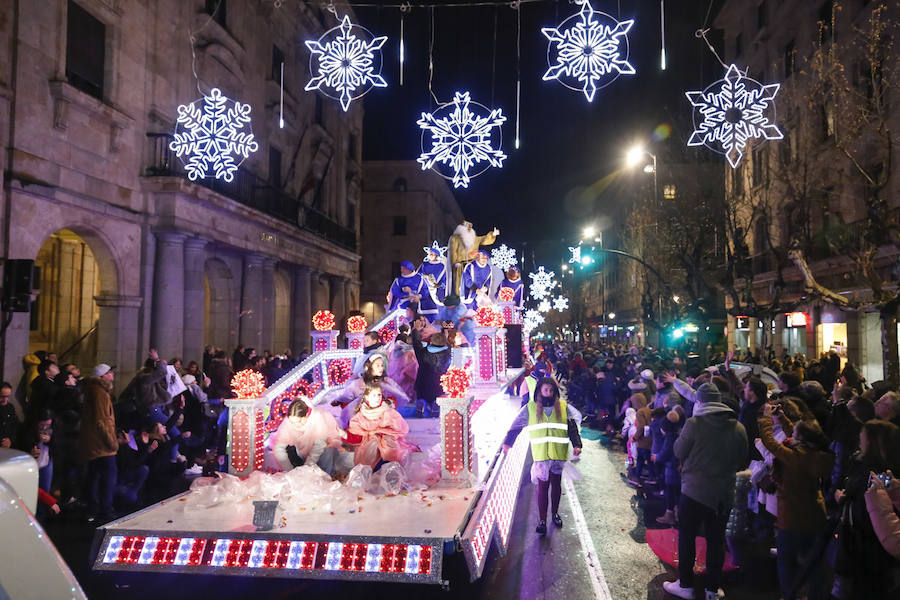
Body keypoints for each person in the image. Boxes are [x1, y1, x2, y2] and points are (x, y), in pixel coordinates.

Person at [664, 383, 748, 600]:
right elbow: (742, 460)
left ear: (699, 402)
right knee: (716, 541)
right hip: (722, 495)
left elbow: (678, 450)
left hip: (693, 492)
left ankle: (685, 585)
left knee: (687, 537)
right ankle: (713, 589)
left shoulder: (694, 424)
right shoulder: (738, 428)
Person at [757, 402, 834, 600]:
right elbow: (797, 435)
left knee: (787, 562)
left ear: (800, 439)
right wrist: (782, 418)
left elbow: (770, 442)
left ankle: (789, 595)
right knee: (815, 561)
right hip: (816, 513)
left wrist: (766, 417)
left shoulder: (794, 457)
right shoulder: (817, 455)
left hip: (792, 516)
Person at [502, 377, 582, 535]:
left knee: (556, 486)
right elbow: (516, 426)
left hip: (558, 455)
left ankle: (555, 514)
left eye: (551, 390)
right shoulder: (530, 408)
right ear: (539, 391)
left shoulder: (563, 407)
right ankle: (542, 520)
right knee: (542, 489)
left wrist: (577, 444)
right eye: (546, 390)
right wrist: (508, 443)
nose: (549, 393)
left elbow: (572, 427)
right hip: (541, 456)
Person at [79, 364, 119, 522]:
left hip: (94, 442)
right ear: (103, 376)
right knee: (108, 475)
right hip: (102, 444)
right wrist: (112, 442)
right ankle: (106, 510)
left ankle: (94, 508)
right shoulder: (100, 392)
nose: (112, 375)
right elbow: (102, 420)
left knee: (94, 474)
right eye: (109, 372)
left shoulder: (93, 390)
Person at [344, 383, 417, 468]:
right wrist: (343, 434)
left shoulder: (388, 412)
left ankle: (391, 470)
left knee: (390, 452)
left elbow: (401, 429)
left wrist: (384, 433)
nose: (377, 397)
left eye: (379, 394)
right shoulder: (360, 416)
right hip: (369, 449)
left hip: (388, 446)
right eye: (374, 395)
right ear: (367, 397)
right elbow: (356, 435)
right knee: (372, 448)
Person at [269, 399, 349, 477]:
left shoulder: (317, 418)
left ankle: (327, 477)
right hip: (304, 451)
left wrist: (307, 467)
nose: (295, 425)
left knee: (326, 452)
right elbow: (279, 448)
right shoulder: (288, 423)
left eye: (299, 421)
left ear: (306, 415)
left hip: (325, 450)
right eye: (292, 422)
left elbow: (319, 445)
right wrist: (289, 471)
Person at [411, 320, 451, 418]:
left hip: (423, 384)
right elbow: (447, 346)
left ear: (431, 342)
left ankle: (420, 404)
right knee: (436, 398)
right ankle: (435, 406)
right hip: (438, 385)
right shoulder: (447, 354)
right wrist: (445, 336)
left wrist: (415, 330)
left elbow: (416, 343)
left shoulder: (423, 353)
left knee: (421, 396)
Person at [418, 242, 448, 320]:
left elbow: (445, 280)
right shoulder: (424, 265)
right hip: (425, 291)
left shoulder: (442, 266)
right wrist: (426, 277)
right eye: (430, 253)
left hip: (437, 293)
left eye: (432, 253)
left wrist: (438, 285)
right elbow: (418, 276)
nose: (430, 255)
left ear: (436, 255)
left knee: (437, 315)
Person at [0, 382, 19, 449]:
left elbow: (15, 426)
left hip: (9, 446)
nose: (5, 400)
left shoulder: (10, 407)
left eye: (7, 396)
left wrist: (10, 439)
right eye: (2, 396)